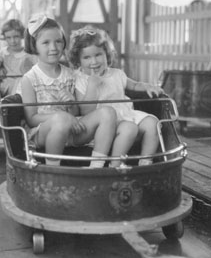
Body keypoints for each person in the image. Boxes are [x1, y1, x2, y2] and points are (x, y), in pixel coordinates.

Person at [20, 15, 117, 167]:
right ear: (34, 45)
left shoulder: (72, 74)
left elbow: (78, 112)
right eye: (46, 43)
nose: (54, 47)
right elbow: (31, 118)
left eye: (58, 41)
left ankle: (96, 166)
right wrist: (63, 116)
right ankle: (52, 167)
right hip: (43, 133)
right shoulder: (30, 78)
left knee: (108, 112)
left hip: (73, 129)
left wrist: (71, 104)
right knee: (61, 120)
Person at [69, 25, 163, 166]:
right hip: (103, 124)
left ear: (107, 54)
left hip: (125, 114)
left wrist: (148, 86)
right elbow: (85, 111)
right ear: (78, 61)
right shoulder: (81, 80)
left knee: (153, 123)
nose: (93, 62)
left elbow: (134, 85)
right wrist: (92, 85)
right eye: (87, 57)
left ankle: (145, 162)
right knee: (129, 129)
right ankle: (115, 164)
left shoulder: (117, 73)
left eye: (98, 55)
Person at [0, 19, 37, 96]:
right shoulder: (1, 54)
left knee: (20, 81)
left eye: (16, 37)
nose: (13, 41)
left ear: (22, 35)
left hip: (24, 88)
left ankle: (13, 104)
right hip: (5, 87)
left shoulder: (29, 54)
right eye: (8, 38)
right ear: (4, 38)